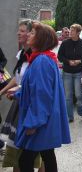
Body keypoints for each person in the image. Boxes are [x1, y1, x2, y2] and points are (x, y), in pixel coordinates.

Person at [14, 21, 70, 172]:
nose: (28, 35)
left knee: (25, 161)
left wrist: (33, 123)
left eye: (32, 33)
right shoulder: (44, 58)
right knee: (47, 155)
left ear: (41, 39)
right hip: (45, 118)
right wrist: (17, 93)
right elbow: (37, 88)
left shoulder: (41, 61)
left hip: (41, 121)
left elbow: (42, 95)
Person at [0, 20, 44, 172]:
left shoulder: (39, 57)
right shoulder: (22, 54)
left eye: (23, 31)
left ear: (33, 35)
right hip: (19, 105)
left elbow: (35, 86)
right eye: (19, 30)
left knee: (31, 154)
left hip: (30, 107)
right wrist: (3, 91)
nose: (18, 33)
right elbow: (17, 78)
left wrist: (18, 91)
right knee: (18, 152)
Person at [58, 24, 82, 122]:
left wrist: (79, 61)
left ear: (78, 33)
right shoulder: (65, 43)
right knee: (68, 96)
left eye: (72, 31)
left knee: (79, 94)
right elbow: (60, 56)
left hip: (79, 73)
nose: (70, 32)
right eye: (70, 30)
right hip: (67, 72)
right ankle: (69, 117)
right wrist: (68, 61)